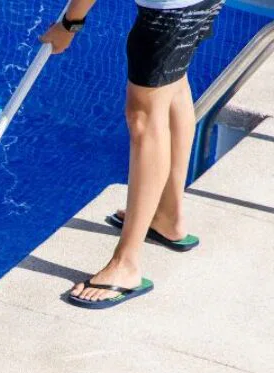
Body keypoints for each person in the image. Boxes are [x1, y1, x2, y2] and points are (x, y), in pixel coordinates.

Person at [40, 0, 224, 307]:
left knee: (143, 118)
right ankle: (168, 216)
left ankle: (126, 264)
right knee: (173, 84)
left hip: (169, 10)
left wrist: (70, 24)